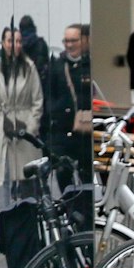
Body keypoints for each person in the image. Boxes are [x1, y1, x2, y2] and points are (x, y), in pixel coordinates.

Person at [0, 26, 45, 185]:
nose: (15, 45)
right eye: (11, 41)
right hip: (5, 133)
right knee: (6, 183)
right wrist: (2, 123)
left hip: (25, 130)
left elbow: (37, 101)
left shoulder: (29, 68)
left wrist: (30, 129)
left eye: (19, 41)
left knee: (28, 181)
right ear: (3, 43)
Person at [43, 22, 94, 178]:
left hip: (85, 134)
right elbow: (48, 97)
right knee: (63, 176)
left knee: (87, 178)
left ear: (84, 41)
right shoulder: (57, 66)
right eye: (66, 41)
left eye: (74, 40)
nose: (70, 45)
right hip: (63, 133)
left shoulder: (90, 66)